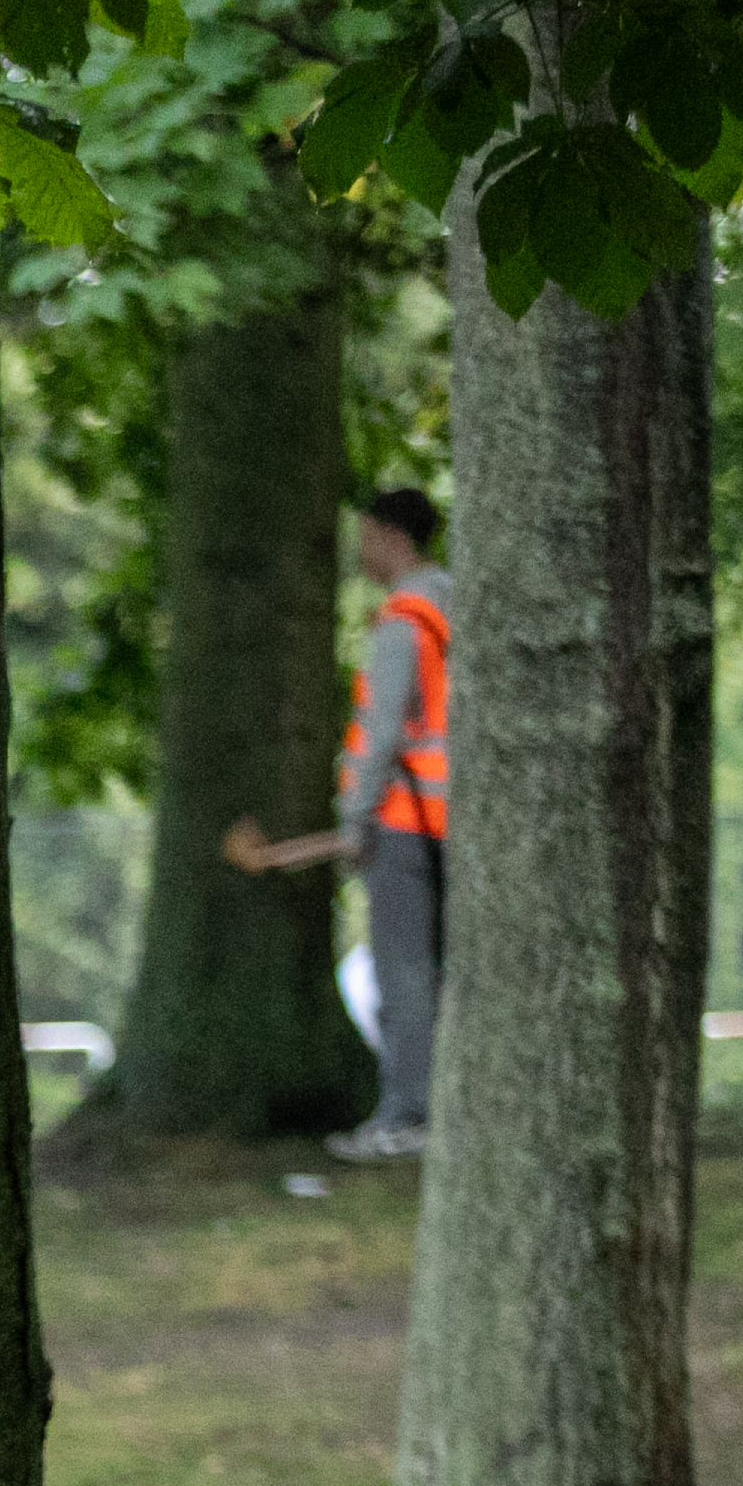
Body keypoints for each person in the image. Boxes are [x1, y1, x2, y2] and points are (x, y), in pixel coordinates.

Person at [226, 485, 448, 1163]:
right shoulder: (458, 610)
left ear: (389, 535)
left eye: (365, 536)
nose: (359, 550)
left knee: (403, 974)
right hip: (454, 823)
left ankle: (407, 1118)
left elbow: (380, 731)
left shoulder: (404, 619)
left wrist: (357, 818)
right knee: (440, 971)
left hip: (405, 823)